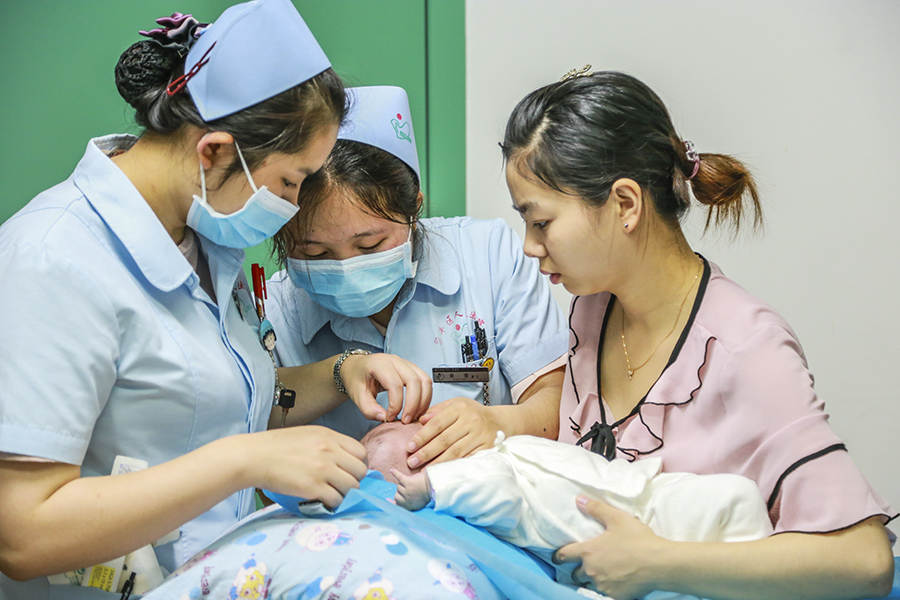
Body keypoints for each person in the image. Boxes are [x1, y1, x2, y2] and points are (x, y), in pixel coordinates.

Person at [0, 2, 368, 598]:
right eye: (291, 181)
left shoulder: (203, 240)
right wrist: (245, 461)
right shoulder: (52, 259)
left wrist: (345, 371)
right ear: (214, 151)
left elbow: (221, 403)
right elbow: (22, 532)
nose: (294, 206)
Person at [499, 69, 896, 599]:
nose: (529, 245)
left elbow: (866, 560)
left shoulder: (744, 347)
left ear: (625, 204)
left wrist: (658, 563)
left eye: (541, 222)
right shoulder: (592, 310)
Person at [267, 85, 569, 466]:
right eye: (315, 253)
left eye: (370, 245)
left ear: (414, 211)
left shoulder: (487, 255)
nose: (347, 267)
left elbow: (555, 401)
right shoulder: (278, 311)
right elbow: (259, 424)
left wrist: (496, 423)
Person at [392, 430, 774, 587]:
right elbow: (497, 491)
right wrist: (431, 486)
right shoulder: (470, 480)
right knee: (737, 499)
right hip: (638, 518)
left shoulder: (499, 451)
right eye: (404, 437)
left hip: (641, 492)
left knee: (734, 504)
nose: (422, 425)